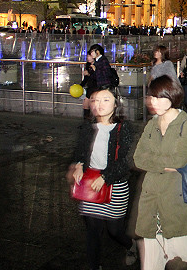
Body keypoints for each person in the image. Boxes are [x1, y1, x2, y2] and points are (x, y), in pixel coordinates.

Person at [133, 75, 187, 270]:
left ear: (172, 96)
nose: (153, 102)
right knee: (152, 259)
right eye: (152, 97)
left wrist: (153, 161)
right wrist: (164, 163)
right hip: (151, 196)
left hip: (177, 196)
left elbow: (180, 160)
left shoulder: (186, 124)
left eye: (159, 98)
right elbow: (138, 158)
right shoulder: (152, 124)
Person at [71, 86, 137, 270]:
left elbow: (126, 160)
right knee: (93, 231)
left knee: (114, 231)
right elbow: (80, 151)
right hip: (91, 184)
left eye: (106, 100)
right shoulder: (87, 127)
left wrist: (106, 177)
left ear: (116, 104)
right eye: (96, 100)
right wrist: (78, 165)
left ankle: (130, 245)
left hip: (115, 185)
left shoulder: (124, 128)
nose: (100, 104)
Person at [80, 49, 98, 119]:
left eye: (89, 56)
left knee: (89, 102)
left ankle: (91, 118)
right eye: (87, 56)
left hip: (96, 86)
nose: (88, 58)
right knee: (86, 103)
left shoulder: (97, 65)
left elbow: (98, 76)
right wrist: (81, 85)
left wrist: (89, 74)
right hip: (90, 86)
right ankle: (86, 118)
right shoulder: (88, 65)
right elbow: (86, 78)